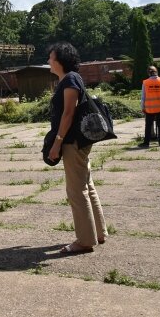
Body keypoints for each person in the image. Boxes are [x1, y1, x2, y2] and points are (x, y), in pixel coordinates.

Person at [46, 42, 107, 254]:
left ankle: (85, 241)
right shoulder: (68, 79)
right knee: (86, 186)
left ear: (60, 60)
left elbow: (68, 114)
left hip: (73, 142)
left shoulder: (70, 79)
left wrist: (57, 143)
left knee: (76, 191)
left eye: (51, 57)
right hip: (77, 141)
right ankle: (98, 233)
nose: (48, 61)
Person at [139, 66, 160, 148]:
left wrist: (142, 107)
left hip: (149, 108)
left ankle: (146, 142)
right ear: (156, 72)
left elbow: (143, 96)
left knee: (148, 125)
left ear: (148, 73)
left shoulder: (145, 82)